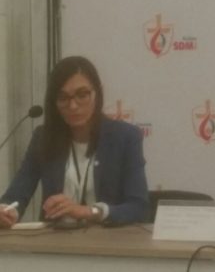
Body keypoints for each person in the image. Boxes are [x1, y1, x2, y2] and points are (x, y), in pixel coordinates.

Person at [0, 56, 149, 228]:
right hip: (55, 240)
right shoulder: (43, 137)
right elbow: (17, 194)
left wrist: (90, 211)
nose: (73, 106)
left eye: (82, 95)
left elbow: (139, 208)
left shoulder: (125, 137)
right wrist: (7, 211)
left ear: (97, 93)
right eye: (63, 98)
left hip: (108, 240)